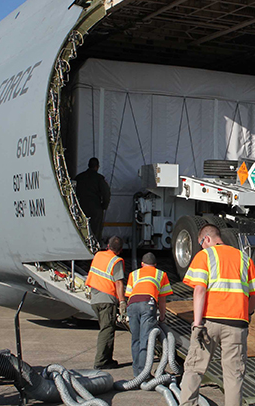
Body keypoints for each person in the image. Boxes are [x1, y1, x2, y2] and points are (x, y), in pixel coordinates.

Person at [179, 224, 255, 406]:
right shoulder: (244, 258)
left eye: (202, 243)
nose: (202, 246)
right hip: (237, 324)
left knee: (194, 369)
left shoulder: (205, 255)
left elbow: (200, 290)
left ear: (208, 239)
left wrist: (196, 323)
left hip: (209, 323)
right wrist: (248, 313)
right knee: (234, 376)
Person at [125, 252, 173, 376]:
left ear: (142, 264)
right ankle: (144, 374)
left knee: (135, 339)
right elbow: (162, 299)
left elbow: (129, 294)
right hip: (148, 303)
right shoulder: (161, 274)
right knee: (145, 339)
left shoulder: (133, 274)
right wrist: (162, 316)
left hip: (132, 304)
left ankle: (137, 373)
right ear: (155, 265)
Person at [86, 235, 126, 370]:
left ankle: (107, 359)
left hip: (95, 299)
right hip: (106, 300)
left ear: (108, 246)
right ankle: (101, 362)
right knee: (107, 330)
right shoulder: (116, 261)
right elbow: (119, 282)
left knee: (106, 328)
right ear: (120, 250)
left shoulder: (98, 255)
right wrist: (122, 302)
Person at [75, 157, 111, 243]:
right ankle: (94, 250)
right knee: (95, 232)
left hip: (81, 207)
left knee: (81, 230)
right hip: (96, 208)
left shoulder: (79, 177)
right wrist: (104, 206)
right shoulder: (99, 179)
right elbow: (106, 194)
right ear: (97, 167)